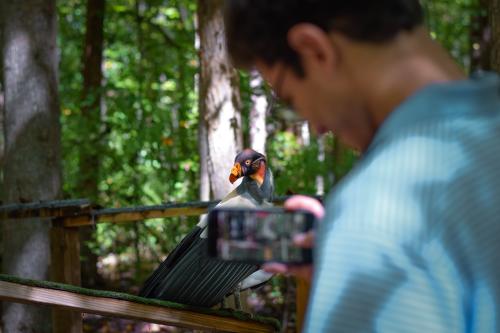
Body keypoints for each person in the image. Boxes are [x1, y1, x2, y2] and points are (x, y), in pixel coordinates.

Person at [224, 1, 500, 332]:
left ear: (314, 50)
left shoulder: (379, 210)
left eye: (291, 99)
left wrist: (357, 247)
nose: (317, 127)